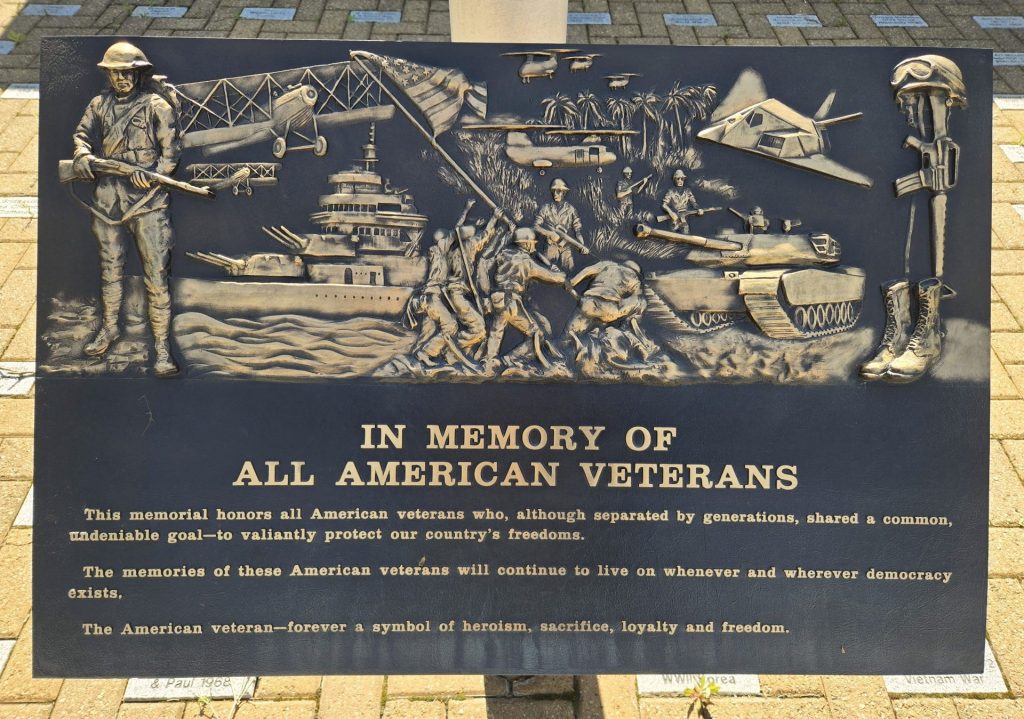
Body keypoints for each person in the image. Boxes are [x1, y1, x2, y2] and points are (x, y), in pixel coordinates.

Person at [72, 42, 182, 376]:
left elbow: (171, 153)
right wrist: (83, 157)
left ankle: (162, 348)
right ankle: (109, 328)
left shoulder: (157, 106)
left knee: (156, 278)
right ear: (107, 74)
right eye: (115, 73)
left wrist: (153, 177)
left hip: (148, 204)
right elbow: (81, 137)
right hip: (107, 201)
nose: (122, 79)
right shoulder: (98, 105)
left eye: (128, 72)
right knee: (110, 269)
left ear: (137, 72)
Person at [484, 228, 567, 373]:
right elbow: (552, 278)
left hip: (497, 298)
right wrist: (559, 273)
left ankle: (488, 361)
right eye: (532, 243)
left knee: (496, 331)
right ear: (526, 244)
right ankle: (510, 359)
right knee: (537, 335)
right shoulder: (526, 261)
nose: (534, 246)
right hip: (511, 301)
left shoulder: (504, 254)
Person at [534, 178, 587, 271]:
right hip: (550, 247)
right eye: (553, 191)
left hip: (566, 248)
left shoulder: (571, 209)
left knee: (571, 273)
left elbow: (578, 230)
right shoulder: (545, 208)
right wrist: (549, 233)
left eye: (558, 191)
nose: (555, 194)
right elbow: (535, 226)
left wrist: (581, 246)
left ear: (564, 193)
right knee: (547, 273)